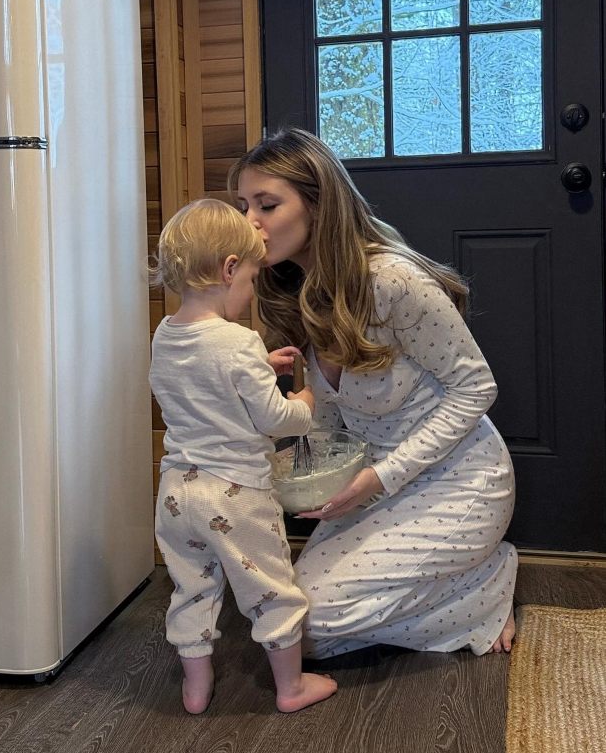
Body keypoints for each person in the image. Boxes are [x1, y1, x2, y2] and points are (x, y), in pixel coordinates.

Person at [229, 128, 517, 661]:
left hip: (459, 479)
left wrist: (377, 480)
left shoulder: (393, 281)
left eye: (267, 205)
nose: (250, 222)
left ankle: (487, 582)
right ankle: (447, 588)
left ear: (319, 205)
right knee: (287, 626)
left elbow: (477, 385)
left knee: (308, 625)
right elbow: (323, 417)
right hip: (371, 484)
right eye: (243, 205)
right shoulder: (296, 289)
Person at [149, 198, 338, 713]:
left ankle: (195, 688)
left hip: (176, 491)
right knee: (271, 589)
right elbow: (274, 420)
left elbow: (205, 384)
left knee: (191, 587)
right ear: (230, 269)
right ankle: (291, 688)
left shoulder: (165, 335)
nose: (252, 289)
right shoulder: (238, 341)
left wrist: (260, 364)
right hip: (235, 494)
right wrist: (305, 401)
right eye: (252, 278)